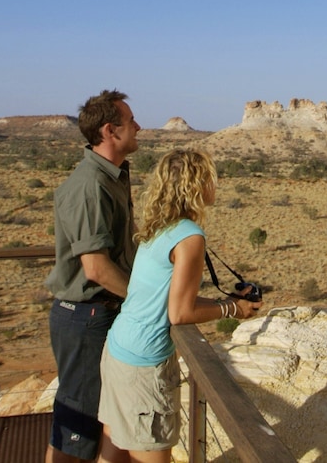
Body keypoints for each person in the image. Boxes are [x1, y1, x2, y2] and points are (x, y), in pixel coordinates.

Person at [96, 148, 262, 463]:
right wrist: (233, 309)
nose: (216, 186)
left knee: (112, 452)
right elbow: (180, 313)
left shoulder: (160, 226)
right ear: (197, 187)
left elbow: (171, 300)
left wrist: (226, 302)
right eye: (212, 179)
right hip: (143, 366)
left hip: (118, 350)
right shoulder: (189, 238)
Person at [45, 89, 141, 463]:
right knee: (78, 426)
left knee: (97, 418)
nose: (138, 127)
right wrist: (144, 301)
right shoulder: (91, 186)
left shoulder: (111, 176)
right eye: (131, 121)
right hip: (85, 317)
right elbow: (97, 268)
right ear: (109, 131)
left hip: (97, 314)